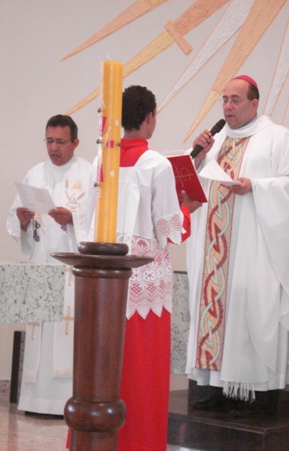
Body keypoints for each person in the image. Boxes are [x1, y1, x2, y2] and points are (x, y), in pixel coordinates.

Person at [66, 85, 201, 450]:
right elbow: (170, 230)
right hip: (144, 280)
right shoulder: (155, 164)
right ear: (149, 117)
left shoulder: (100, 160)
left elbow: (89, 216)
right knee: (142, 373)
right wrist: (189, 208)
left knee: (103, 367)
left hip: (105, 278)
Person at [186, 75, 289, 416]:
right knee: (217, 312)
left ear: (254, 103)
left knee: (252, 312)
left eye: (236, 100)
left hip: (256, 249)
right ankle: (216, 389)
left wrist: (257, 186)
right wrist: (198, 158)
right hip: (213, 252)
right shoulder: (215, 141)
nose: (228, 106)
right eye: (224, 99)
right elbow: (190, 188)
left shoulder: (277, 138)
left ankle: (260, 395)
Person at [7, 114, 92, 415]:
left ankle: (65, 403)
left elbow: (97, 224)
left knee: (65, 331)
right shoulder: (35, 173)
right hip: (42, 265)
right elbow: (14, 220)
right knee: (40, 331)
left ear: (75, 142)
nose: (54, 148)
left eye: (60, 142)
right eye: (49, 141)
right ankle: (35, 400)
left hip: (71, 269)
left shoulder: (89, 173)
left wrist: (73, 221)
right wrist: (23, 221)